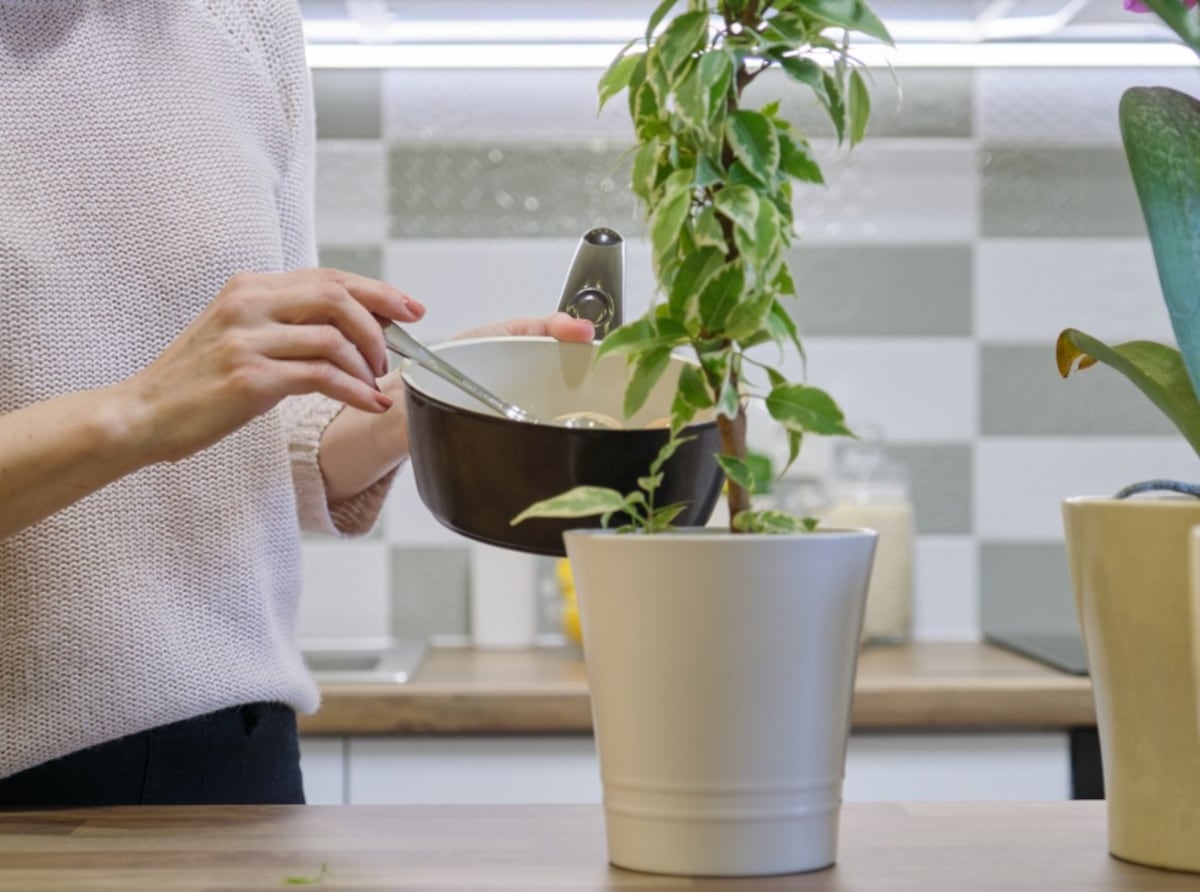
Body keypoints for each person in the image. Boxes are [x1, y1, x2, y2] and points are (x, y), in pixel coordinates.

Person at [0, 0, 593, 806]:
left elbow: (258, 423)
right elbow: (171, 404)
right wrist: (140, 413)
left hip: (234, 749)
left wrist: (425, 398)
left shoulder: (247, 19)